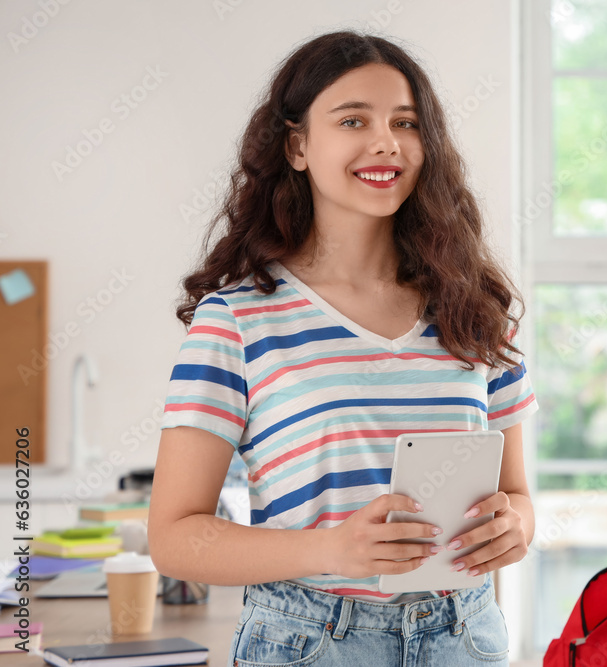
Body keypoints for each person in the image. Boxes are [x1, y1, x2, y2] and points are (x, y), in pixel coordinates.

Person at [147, 30, 539, 666]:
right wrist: (331, 550)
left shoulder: (473, 314)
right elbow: (173, 537)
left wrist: (516, 526)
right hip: (310, 642)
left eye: (405, 123)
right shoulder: (238, 322)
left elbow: (518, 497)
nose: (385, 142)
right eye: (353, 119)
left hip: (466, 634)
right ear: (298, 145)